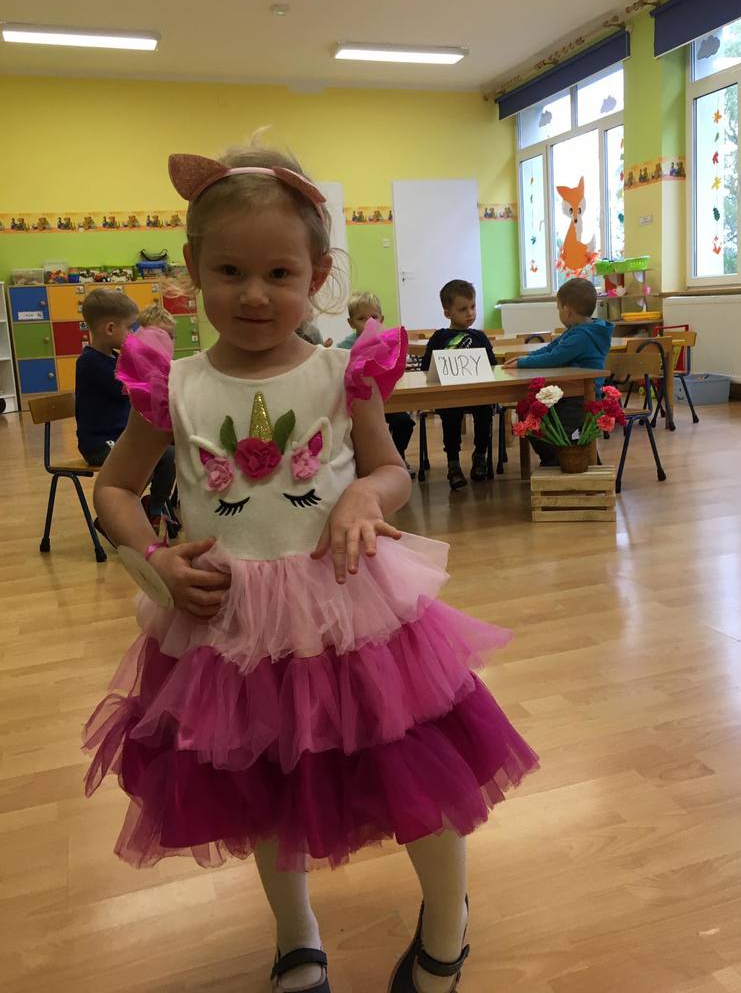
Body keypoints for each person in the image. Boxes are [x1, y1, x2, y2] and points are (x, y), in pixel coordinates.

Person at [82, 143, 538, 993]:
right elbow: (113, 488)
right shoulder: (171, 384)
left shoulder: (342, 373)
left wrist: (365, 497)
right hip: (228, 623)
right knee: (261, 786)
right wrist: (153, 558)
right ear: (192, 268)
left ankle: (447, 925)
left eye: (280, 273)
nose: (254, 294)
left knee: (413, 770)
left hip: (348, 609)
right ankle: (297, 935)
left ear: (318, 275)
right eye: (230, 271)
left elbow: (390, 470)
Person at [75, 288, 176, 531]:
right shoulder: (90, 363)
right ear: (110, 328)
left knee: (170, 454)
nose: (136, 334)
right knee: (142, 463)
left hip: (122, 436)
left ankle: (153, 508)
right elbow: (132, 388)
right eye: (131, 328)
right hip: (99, 443)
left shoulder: (114, 358)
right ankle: (116, 516)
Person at [504, 278, 613, 466]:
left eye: (558, 309)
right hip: (567, 393)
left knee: (567, 436)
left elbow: (555, 357)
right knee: (531, 418)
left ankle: (561, 462)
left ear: (566, 310)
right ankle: (554, 460)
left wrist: (523, 363)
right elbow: (550, 348)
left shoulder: (582, 336)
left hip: (581, 397)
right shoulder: (577, 330)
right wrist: (525, 358)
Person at [420, 280, 498, 490]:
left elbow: (492, 365)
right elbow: (426, 367)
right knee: (450, 416)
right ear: (448, 313)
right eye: (463, 309)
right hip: (450, 395)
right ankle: (453, 464)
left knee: (485, 412)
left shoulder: (479, 337)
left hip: (477, 394)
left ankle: (480, 456)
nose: (470, 313)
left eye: (473, 307)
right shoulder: (440, 338)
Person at [339, 291, 415, 463]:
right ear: (351, 323)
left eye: (373, 317)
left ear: (381, 319)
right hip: (358, 407)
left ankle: (395, 457)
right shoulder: (344, 348)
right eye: (361, 318)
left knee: (404, 423)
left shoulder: (386, 343)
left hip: (386, 402)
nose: (369, 323)